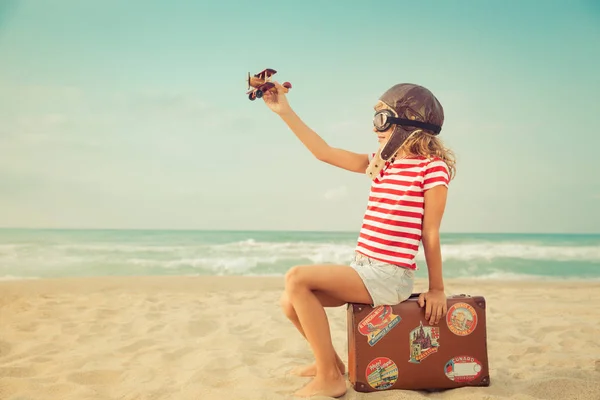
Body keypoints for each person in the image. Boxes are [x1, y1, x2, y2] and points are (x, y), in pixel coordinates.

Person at [261, 81, 456, 398]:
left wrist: (437, 288)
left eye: (382, 120)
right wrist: (284, 111)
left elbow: (430, 232)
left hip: (390, 275)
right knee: (289, 300)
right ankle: (331, 365)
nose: (375, 128)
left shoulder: (432, 169)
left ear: (409, 124)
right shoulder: (382, 162)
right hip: (365, 268)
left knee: (296, 278)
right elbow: (323, 152)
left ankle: (329, 379)